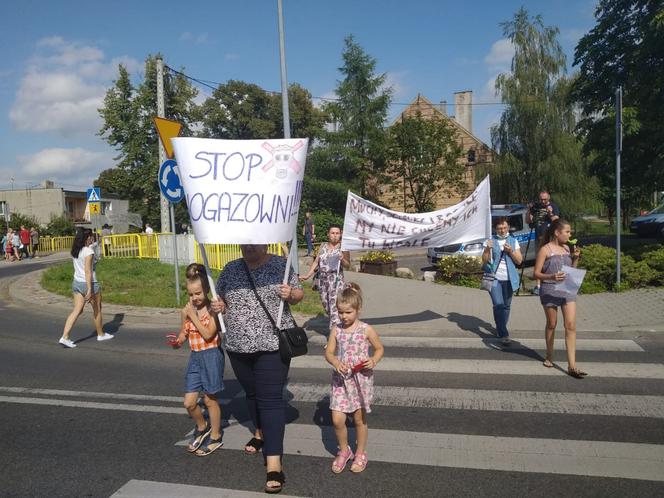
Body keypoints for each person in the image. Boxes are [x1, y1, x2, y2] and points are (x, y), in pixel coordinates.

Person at [210, 244, 303, 494]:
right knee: (252, 393)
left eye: (254, 242)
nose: (248, 247)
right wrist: (217, 308)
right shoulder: (230, 269)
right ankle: (260, 432)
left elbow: (298, 294)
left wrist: (290, 294)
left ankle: (274, 463)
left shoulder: (280, 266)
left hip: (273, 345)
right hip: (238, 347)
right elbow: (219, 304)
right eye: (244, 243)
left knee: (270, 400)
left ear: (264, 242)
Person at [324, 283, 384, 474]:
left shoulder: (366, 329)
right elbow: (329, 353)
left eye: (348, 312)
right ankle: (344, 450)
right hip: (341, 381)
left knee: (359, 419)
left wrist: (373, 360)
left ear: (358, 310)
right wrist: (335, 362)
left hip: (360, 381)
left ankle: (360, 453)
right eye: (340, 312)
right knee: (337, 420)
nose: (344, 316)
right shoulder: (336, 330)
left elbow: (380, 348)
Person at [173, 263, 225, 456]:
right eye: (191, 294)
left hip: (211, 355)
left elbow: (208, 334)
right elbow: (183, 332)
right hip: (195, 356)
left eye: (198, 294)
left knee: (210, 400)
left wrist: (193, 316)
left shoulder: (214, 310)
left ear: (206, 291)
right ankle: (202, 427)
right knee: (189, 403)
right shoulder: (186, 311)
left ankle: (216, 435)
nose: (194, 298)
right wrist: (178, 340)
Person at [533, 219, 585, 378]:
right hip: (549, 289)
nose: (570, 235)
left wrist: (575, 258)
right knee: (552, 324)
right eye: (567, 232)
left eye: (570, 232)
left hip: (568, 288)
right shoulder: (545, 250)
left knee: (570, 325)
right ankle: (549, 356)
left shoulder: (566, 248)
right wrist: (552, 276)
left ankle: (572, 366)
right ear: (557, 232)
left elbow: (570, 271)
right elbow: (535, 273)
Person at [59, 228, 114, 348]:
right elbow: (88, 271)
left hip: (77, 283)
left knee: (77, 310)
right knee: (97, 309)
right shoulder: (88, 252)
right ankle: (101, 334)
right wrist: (90, 289)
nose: (92, 238)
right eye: (90, 236)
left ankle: (65, 337)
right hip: (90, 283)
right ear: (86, 238)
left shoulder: (75, 250)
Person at [299, 224, 350, 330]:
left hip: (336, 281)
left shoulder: (343, 248)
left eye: (337, 233)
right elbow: (316, 262)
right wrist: (308, 275)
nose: (335, 235)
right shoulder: (323, 246)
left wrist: (342, 259)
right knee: (327, 306)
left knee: (334, 308)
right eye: (333, 233)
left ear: (340, 234)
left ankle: (334, 337)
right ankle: (343, 328)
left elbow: (347, 265)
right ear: (328, 234)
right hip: (323, 281)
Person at [481, 217, 523, 346]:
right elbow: (484, 260)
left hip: (510, 279)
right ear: (495, 229)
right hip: (495, 278)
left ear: (508, 227)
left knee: (506, 306)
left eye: (504, 228)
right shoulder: (490, 241)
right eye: (499, 228)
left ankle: (501, 327)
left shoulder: (513, 241)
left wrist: (510, 251)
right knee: (498, 305)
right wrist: (488, 249)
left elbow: (519, 261)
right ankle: (504, 333)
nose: (502, 230)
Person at [527, 190, 560, 295]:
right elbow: (528, 220)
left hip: (550, 238)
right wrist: (529, 210)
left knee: (551, 261)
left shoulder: (553, 206)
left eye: (545, 199)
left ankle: (554, 284)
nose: (543, 201)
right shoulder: (536, 207)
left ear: (548, 198)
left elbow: (556, 221)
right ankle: (538, 286)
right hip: (538, 237)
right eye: (541, 199)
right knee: (539, 261)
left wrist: (550, 212)